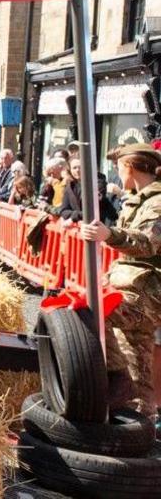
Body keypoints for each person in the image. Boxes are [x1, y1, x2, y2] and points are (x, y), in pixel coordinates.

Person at [78, 144, 161, 421]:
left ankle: (119, 380)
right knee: (137, 354)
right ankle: (144, 422)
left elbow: (149, 243)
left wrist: (108, 234)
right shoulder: (138, 200)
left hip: (147, 292)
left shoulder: (157, 202)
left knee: (96, 315)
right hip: (136, 287)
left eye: (118, 167)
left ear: (130, 166)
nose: (116, 173)